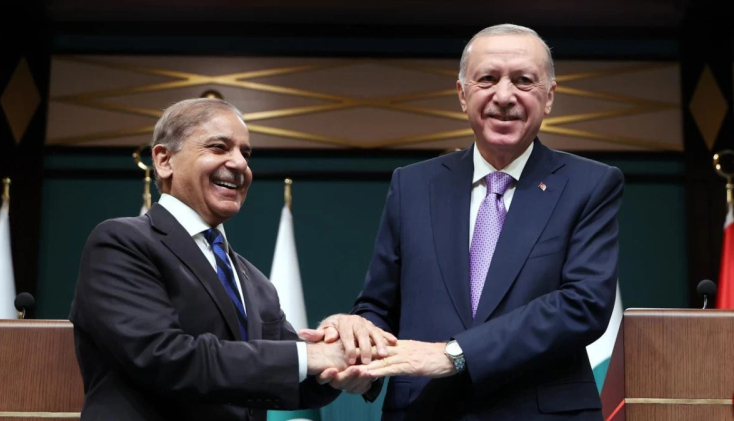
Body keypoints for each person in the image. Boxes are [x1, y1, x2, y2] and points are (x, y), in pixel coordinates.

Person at [308, 24, 624, 420]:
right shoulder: (413, 185)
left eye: (523, 81)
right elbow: (379, 306)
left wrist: (455, 354)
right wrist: (356, 348)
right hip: (425, 411)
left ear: (549, 97)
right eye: (487, 79)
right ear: (462, 94)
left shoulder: (590, 184)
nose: (504, 96)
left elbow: (584, 305)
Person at [69, 98, 358, 421]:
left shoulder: (256, 283)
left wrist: (348, 361)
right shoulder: (121, 243)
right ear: (164, 160)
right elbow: (164, 358)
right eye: (219, 147)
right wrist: (308, 356)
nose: (240, 164)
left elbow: (288, 378)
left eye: (246, 154)